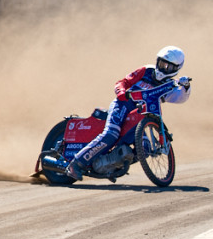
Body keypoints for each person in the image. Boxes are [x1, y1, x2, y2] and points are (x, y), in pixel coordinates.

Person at [65, 47, 191, 181]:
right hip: (122, 105)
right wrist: (121, 92)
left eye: (168, 66)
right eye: (161, 63)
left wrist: (186, 87)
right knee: (111, 134)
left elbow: (180, 98)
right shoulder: (146, 70)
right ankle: (75, 164)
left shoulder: (170, 85)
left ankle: (114, 164)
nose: (163, 68)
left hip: (141, 116)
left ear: (176, 68)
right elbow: (123, 82)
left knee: (145, 148)